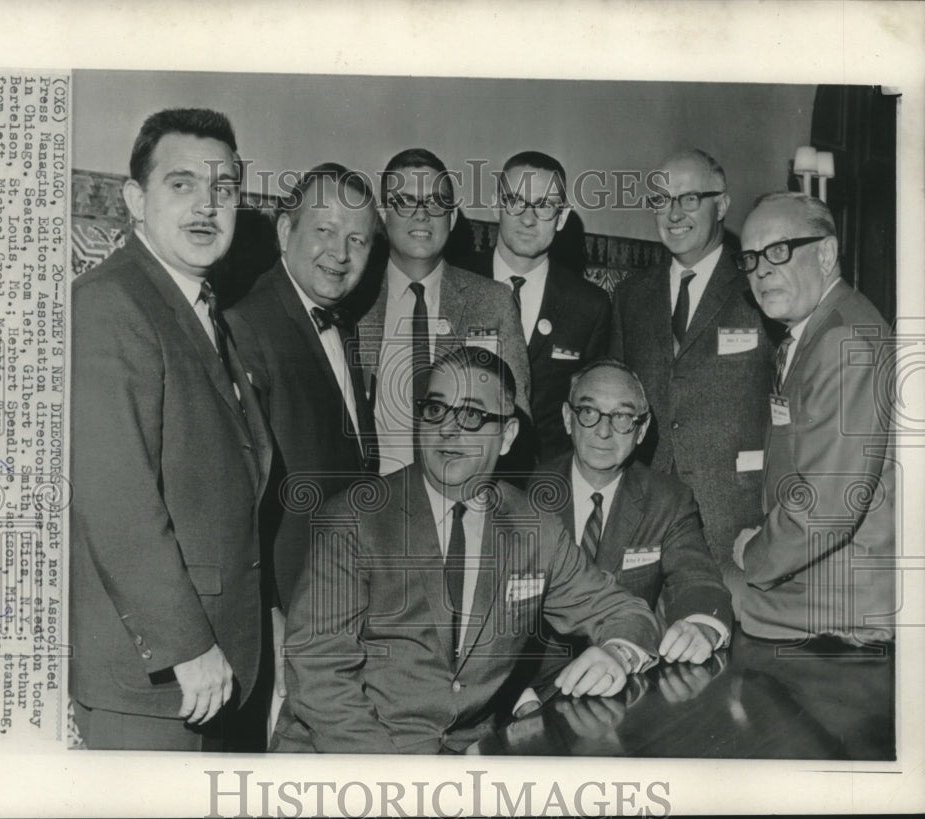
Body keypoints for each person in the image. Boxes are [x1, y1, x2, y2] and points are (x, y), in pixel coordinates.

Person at [273, 346, 660, 754]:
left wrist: (616, 653)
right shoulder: (354, 518)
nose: (449, 430)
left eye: (472, 416)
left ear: (507, 435)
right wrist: (397, 785)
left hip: (466, 762)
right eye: (436, 410)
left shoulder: (534, 527)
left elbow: (627, 612)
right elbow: (320, 676)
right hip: (349, 760)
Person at [70, 109, 274, 750]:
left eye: (224, 188)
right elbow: (116, 499)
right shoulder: (111, 302)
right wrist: (188, 645)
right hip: (159, 679)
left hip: (218, 668)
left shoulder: (206, 311)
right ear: (135, 199)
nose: (206, 206)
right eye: (181, 184)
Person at [224, 164, 381, 732]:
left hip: (336, 611)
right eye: (325, 230)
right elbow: (239, 500)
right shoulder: (249, 325)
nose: (340, 252)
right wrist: (272, 616)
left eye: (358, 238)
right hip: (283, 619)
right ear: (284, 231)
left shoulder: (343, 326)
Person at [726, 192, 895, 643]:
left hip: (846, 595)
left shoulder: (843, 343)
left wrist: (755, 554)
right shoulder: (822, 327)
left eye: (778, 251)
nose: (761, 270)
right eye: (751, 258)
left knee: (696, 594)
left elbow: (828, 510)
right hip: (823, 570)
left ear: (826, 253)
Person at [610, 149, 775, 571]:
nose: (673, 213)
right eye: (662, 200)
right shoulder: (631, 295)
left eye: (689, 199)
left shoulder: (758, 286)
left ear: (721, 205)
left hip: (737, 521)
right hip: (647, 518)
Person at [534, 359, 732, 665]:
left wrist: (701, 627)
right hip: (536, 683)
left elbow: (697, 580)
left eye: (622, 417)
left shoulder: (667, 499)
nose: (603, 431)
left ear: (642, 430)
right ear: (567, 418)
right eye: (588, 412)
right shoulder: (525, 495)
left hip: (629, 671)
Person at [358, 148, 531, 476]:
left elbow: (515, 418)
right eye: (405, 201)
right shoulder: (354, 300)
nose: (422, 215)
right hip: (372, 502)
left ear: (451, 219)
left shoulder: (493, 302)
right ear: (383, 214)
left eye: (436, 203)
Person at [467, 151, 610, 463]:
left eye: (544, 205)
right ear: (496, 204)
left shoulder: (590, 305)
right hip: (465, 469)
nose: (528, 218)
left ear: (561, 217)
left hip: (547, 484)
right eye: (516, 200)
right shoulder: (457, 283)